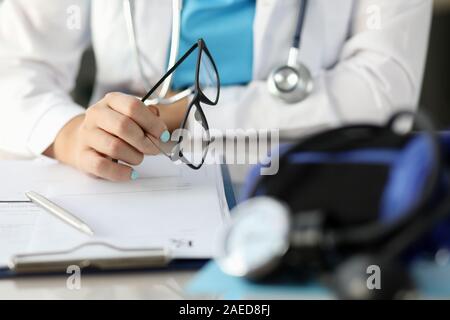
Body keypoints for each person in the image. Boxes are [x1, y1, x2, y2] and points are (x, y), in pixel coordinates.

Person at [0, 0, 433, 181]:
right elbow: (15, 69)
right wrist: (69, 131)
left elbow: (383, 87)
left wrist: (177, 116)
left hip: (310, 177)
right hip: (131, 175)